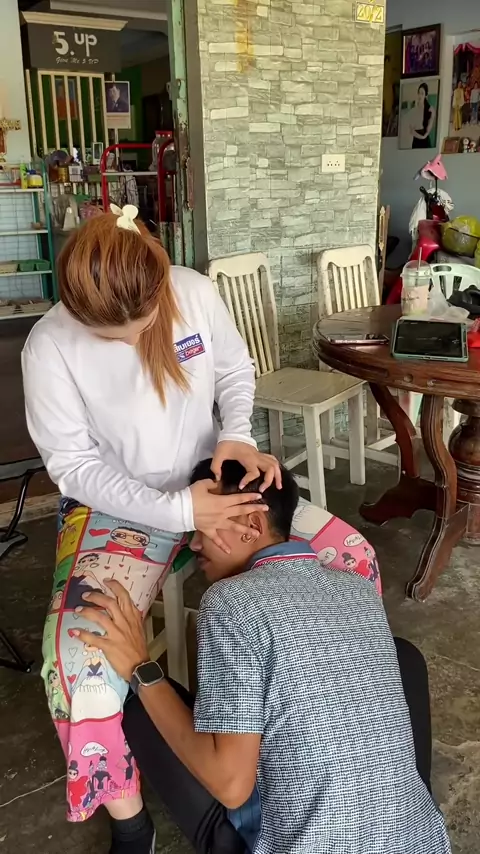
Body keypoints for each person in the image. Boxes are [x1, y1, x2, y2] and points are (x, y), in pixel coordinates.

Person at [21, 206, 280, 851]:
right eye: (112, 337)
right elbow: (74, 468)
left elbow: (233, 369)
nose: (131, 344)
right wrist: (178, 513)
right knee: (79, 658)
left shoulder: (191, 290)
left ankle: (302, 754)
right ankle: (132, 825)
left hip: (213, 481)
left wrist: (238, 436)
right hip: (116, 508)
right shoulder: (49, 346)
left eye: (139, 328)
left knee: (348, 559)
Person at [74, 460, 452, 854]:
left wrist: (141, 667)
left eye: (204, 524)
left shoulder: (230, 601)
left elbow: (231, 787)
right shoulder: (356, 587)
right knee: (402, 656)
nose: (194, 543)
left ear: (252, 525)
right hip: (420, 841)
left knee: (141, 707)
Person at [410, 82, 436, 149]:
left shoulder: (430, 109)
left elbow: (428, 129)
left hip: (425, 141)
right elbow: (411, 130)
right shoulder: (414, 108)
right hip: (416, 140)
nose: (420, 95)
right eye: (419, 93)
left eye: (422, 93)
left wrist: (424, 137)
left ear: (425, 95)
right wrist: (421, 137)